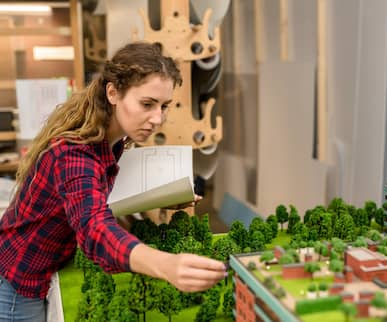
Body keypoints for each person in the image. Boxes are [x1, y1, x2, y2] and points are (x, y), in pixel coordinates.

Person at [0, 42, 226, 322]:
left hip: (42, 272)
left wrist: (163, 197)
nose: (157, 119)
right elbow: (94, 229)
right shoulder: (75, 154)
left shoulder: (112, 141)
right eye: (147, 104)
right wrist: (165, 264)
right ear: (113, 93)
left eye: (164, 106)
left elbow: (93, 194)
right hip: (17, 285)